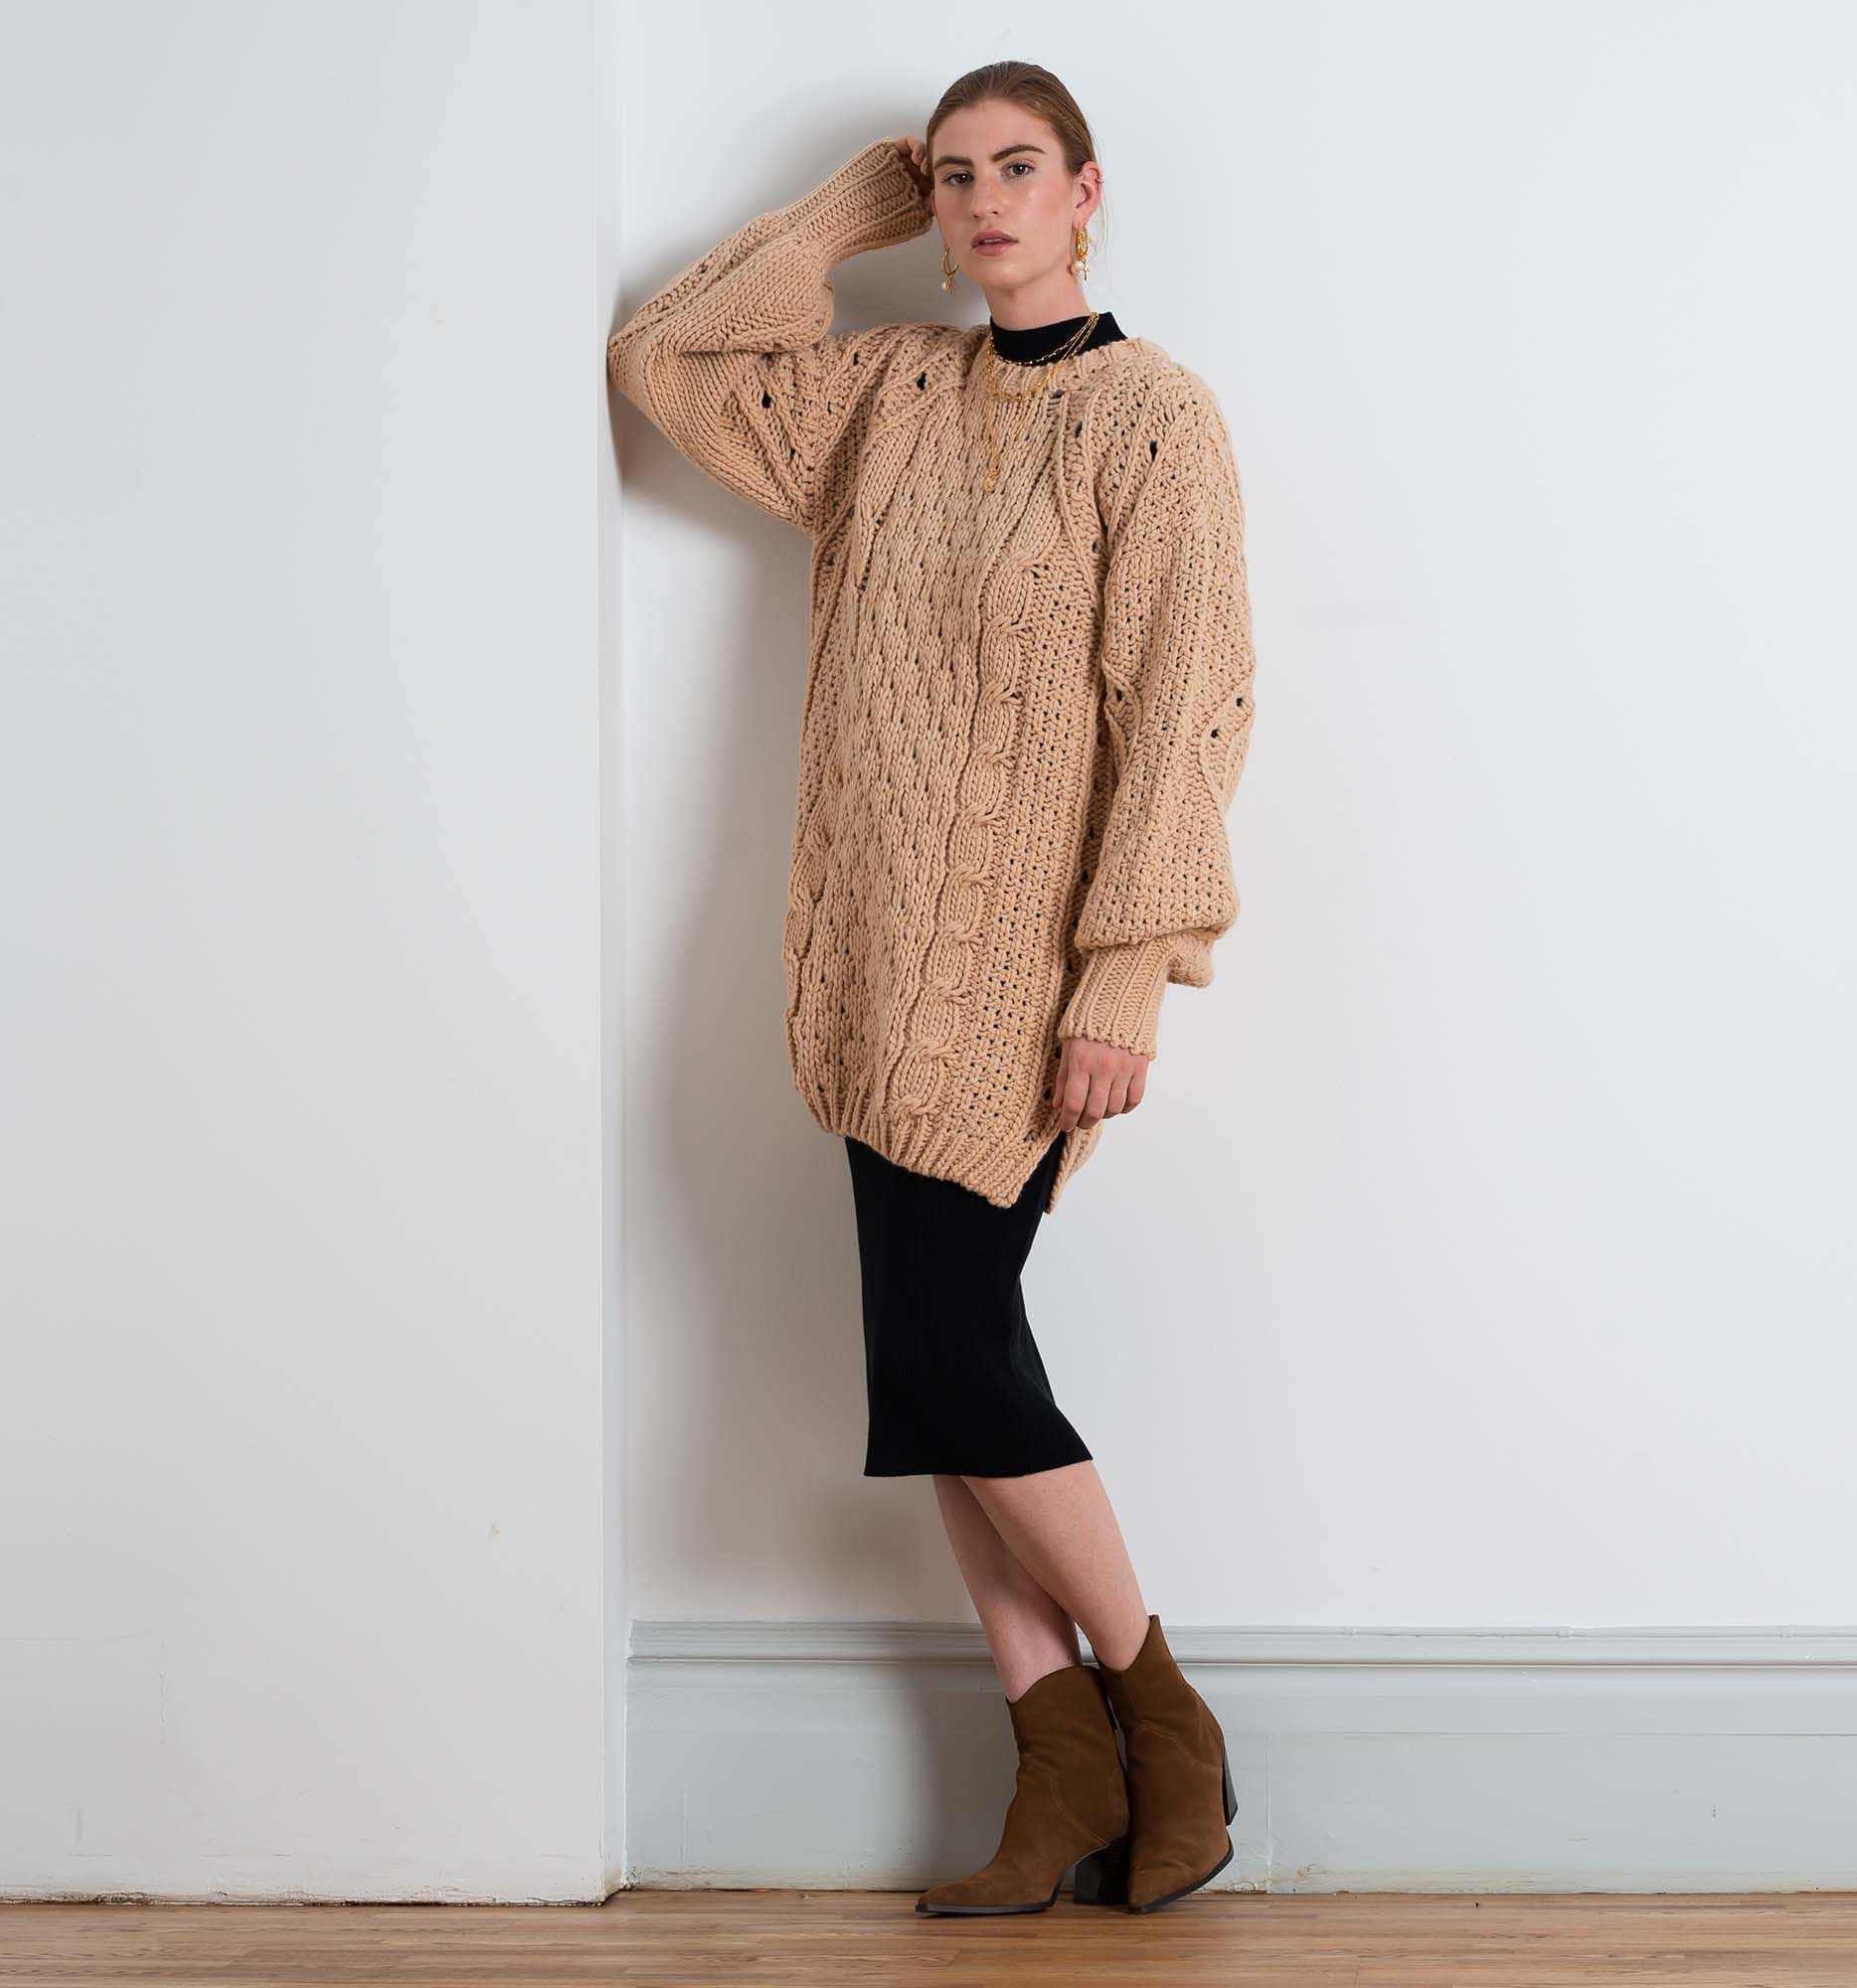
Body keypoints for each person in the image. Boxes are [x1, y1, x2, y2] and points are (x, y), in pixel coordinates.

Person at [606, 60, 1256, 1916]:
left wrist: (1122, 978)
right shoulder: (885, 394)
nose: (982, 203)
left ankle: (1165, 1720)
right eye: (953, 176)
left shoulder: (1152, 417)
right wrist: (845, 214)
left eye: (1015, 169)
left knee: (959, 1360)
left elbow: (1187, 714)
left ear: (1086, 192)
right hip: (873, 965)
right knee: (937, 1377)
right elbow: (663, 363)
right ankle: (1058, 1772)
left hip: (1028, 984)